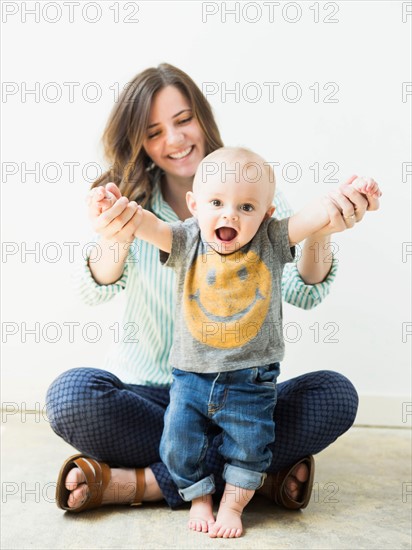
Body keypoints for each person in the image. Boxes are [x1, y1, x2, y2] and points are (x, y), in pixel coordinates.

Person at [46, 63, 380, 520]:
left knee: (335, 394)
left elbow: (303, 294)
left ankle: (133, 484)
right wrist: (114, 237)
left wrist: (322, 231)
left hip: (242, 390)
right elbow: (94, 290)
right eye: (155, 131)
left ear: (203, 117)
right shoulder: (136, 207)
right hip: (157, 396)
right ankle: (254, 475)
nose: (176, 140)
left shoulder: (256, 195)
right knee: (71, 395)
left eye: (183, 120)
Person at [88, 146, 380, 538]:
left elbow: (316, 214)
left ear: (267, 213)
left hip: (251, 381)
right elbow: (143, 223)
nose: (229, 214)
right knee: (178, 442)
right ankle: (200, 495)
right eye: (216, 203)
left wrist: (349, 195)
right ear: (194, 205)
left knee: (250, 443)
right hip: (188, 380)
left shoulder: (272, 238)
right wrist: (114, 206)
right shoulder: (184, 239)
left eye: (246, 208)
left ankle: (232, 502)